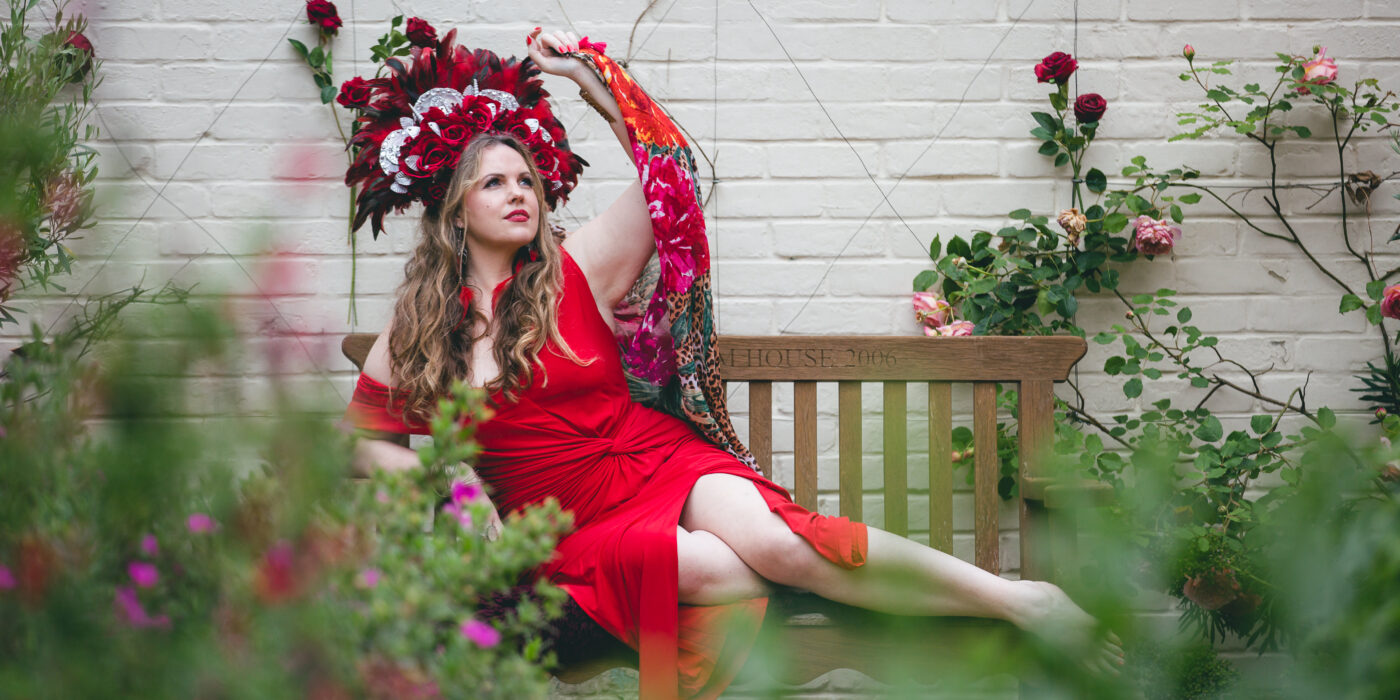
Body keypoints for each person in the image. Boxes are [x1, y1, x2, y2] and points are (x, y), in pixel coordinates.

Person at [342, 27, 1124, 700]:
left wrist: (596, 83)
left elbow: (676, 178)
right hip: (563, 525)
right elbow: (366, 438)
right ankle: (866, 594)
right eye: (495, 183)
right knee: (724, 568)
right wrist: (446, 491)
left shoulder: (574, 270)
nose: (521, 195)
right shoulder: (418, 330)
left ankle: (1023, 601)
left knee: (784, 545)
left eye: (528, 182)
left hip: (656, 457)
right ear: (454, 205)